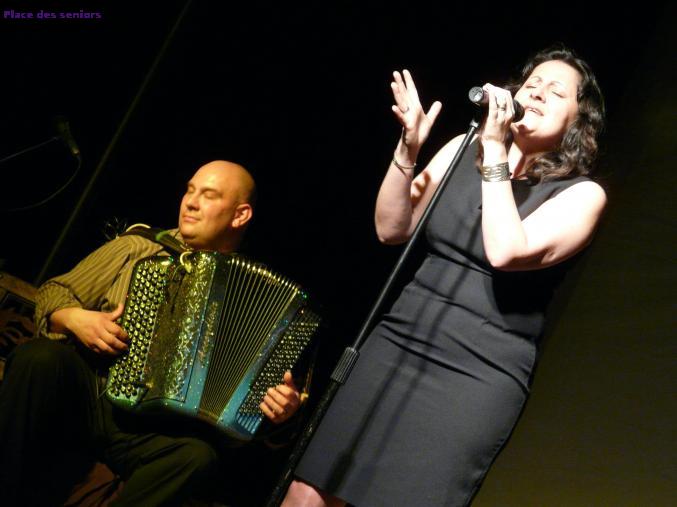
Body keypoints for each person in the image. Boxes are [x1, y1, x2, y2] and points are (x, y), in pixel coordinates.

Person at [283, 45, 607, 506]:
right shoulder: (463, 148)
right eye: (531, 83)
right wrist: (409, 148)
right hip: (397, 342)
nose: (535, 94)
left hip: (474, 376)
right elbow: (391, 229)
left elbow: (506, 250)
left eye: (554, 92)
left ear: (578, 122)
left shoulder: (582, 195)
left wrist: (496, 151)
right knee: (308, 490)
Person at [0, 160, 303, 506]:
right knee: (40, 358)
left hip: (158, 432)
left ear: (240, 215)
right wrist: (73, 318)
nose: (190, 202)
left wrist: (280, 414)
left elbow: (251, 420)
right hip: (93, 396)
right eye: (190, 190)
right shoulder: (139, 246)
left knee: (197, 458)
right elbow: (53, 292)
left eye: (209, 195)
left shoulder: (261, 298)